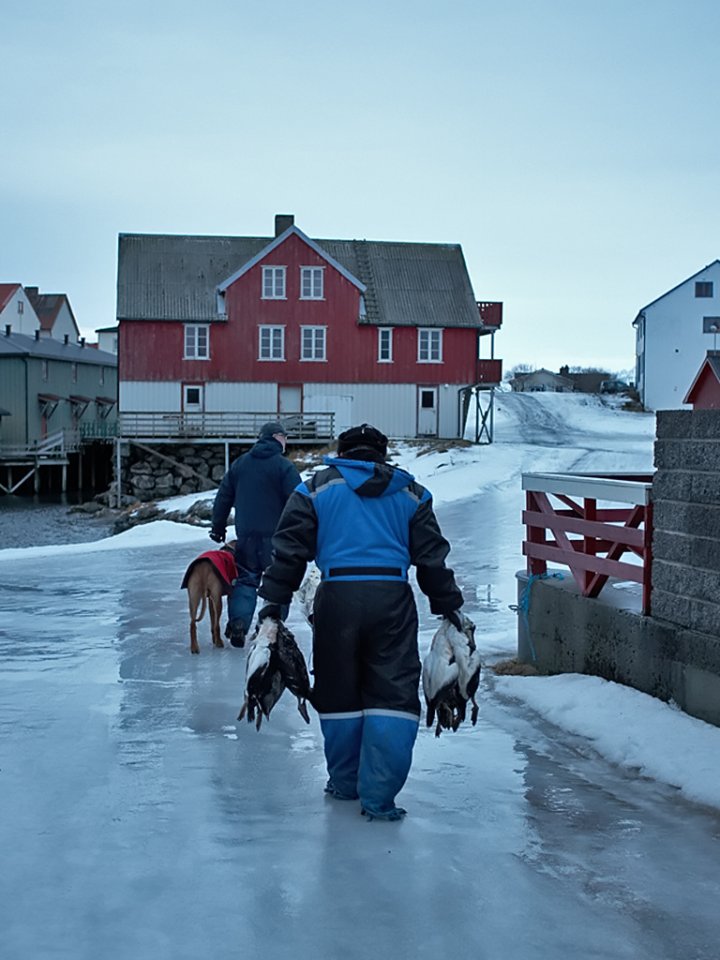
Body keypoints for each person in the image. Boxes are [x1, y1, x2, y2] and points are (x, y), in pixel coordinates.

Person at [256, 423, 464, 821]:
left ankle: (345, 783)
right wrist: (447, 604)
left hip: (337, 598)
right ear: (382, 457)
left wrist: (273, 603)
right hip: (392, 600)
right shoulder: (412, 493)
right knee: (393, 691)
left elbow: (289, 552)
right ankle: (380, 797)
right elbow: (431, 558)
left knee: (339, 691)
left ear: (342, 452)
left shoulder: (314, 489)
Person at [210, 421, 301, 648]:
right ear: (277, 437)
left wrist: (218, 527)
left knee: (245, 581)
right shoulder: (284, 467)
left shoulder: (241, 465)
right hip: (277, 538)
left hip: (247, 537)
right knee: (277, 582)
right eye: (285, 438)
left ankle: (239, 624)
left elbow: (223, 498)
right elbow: (299, 501)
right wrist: (301, 532)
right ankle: (271, 627)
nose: (286, 442)